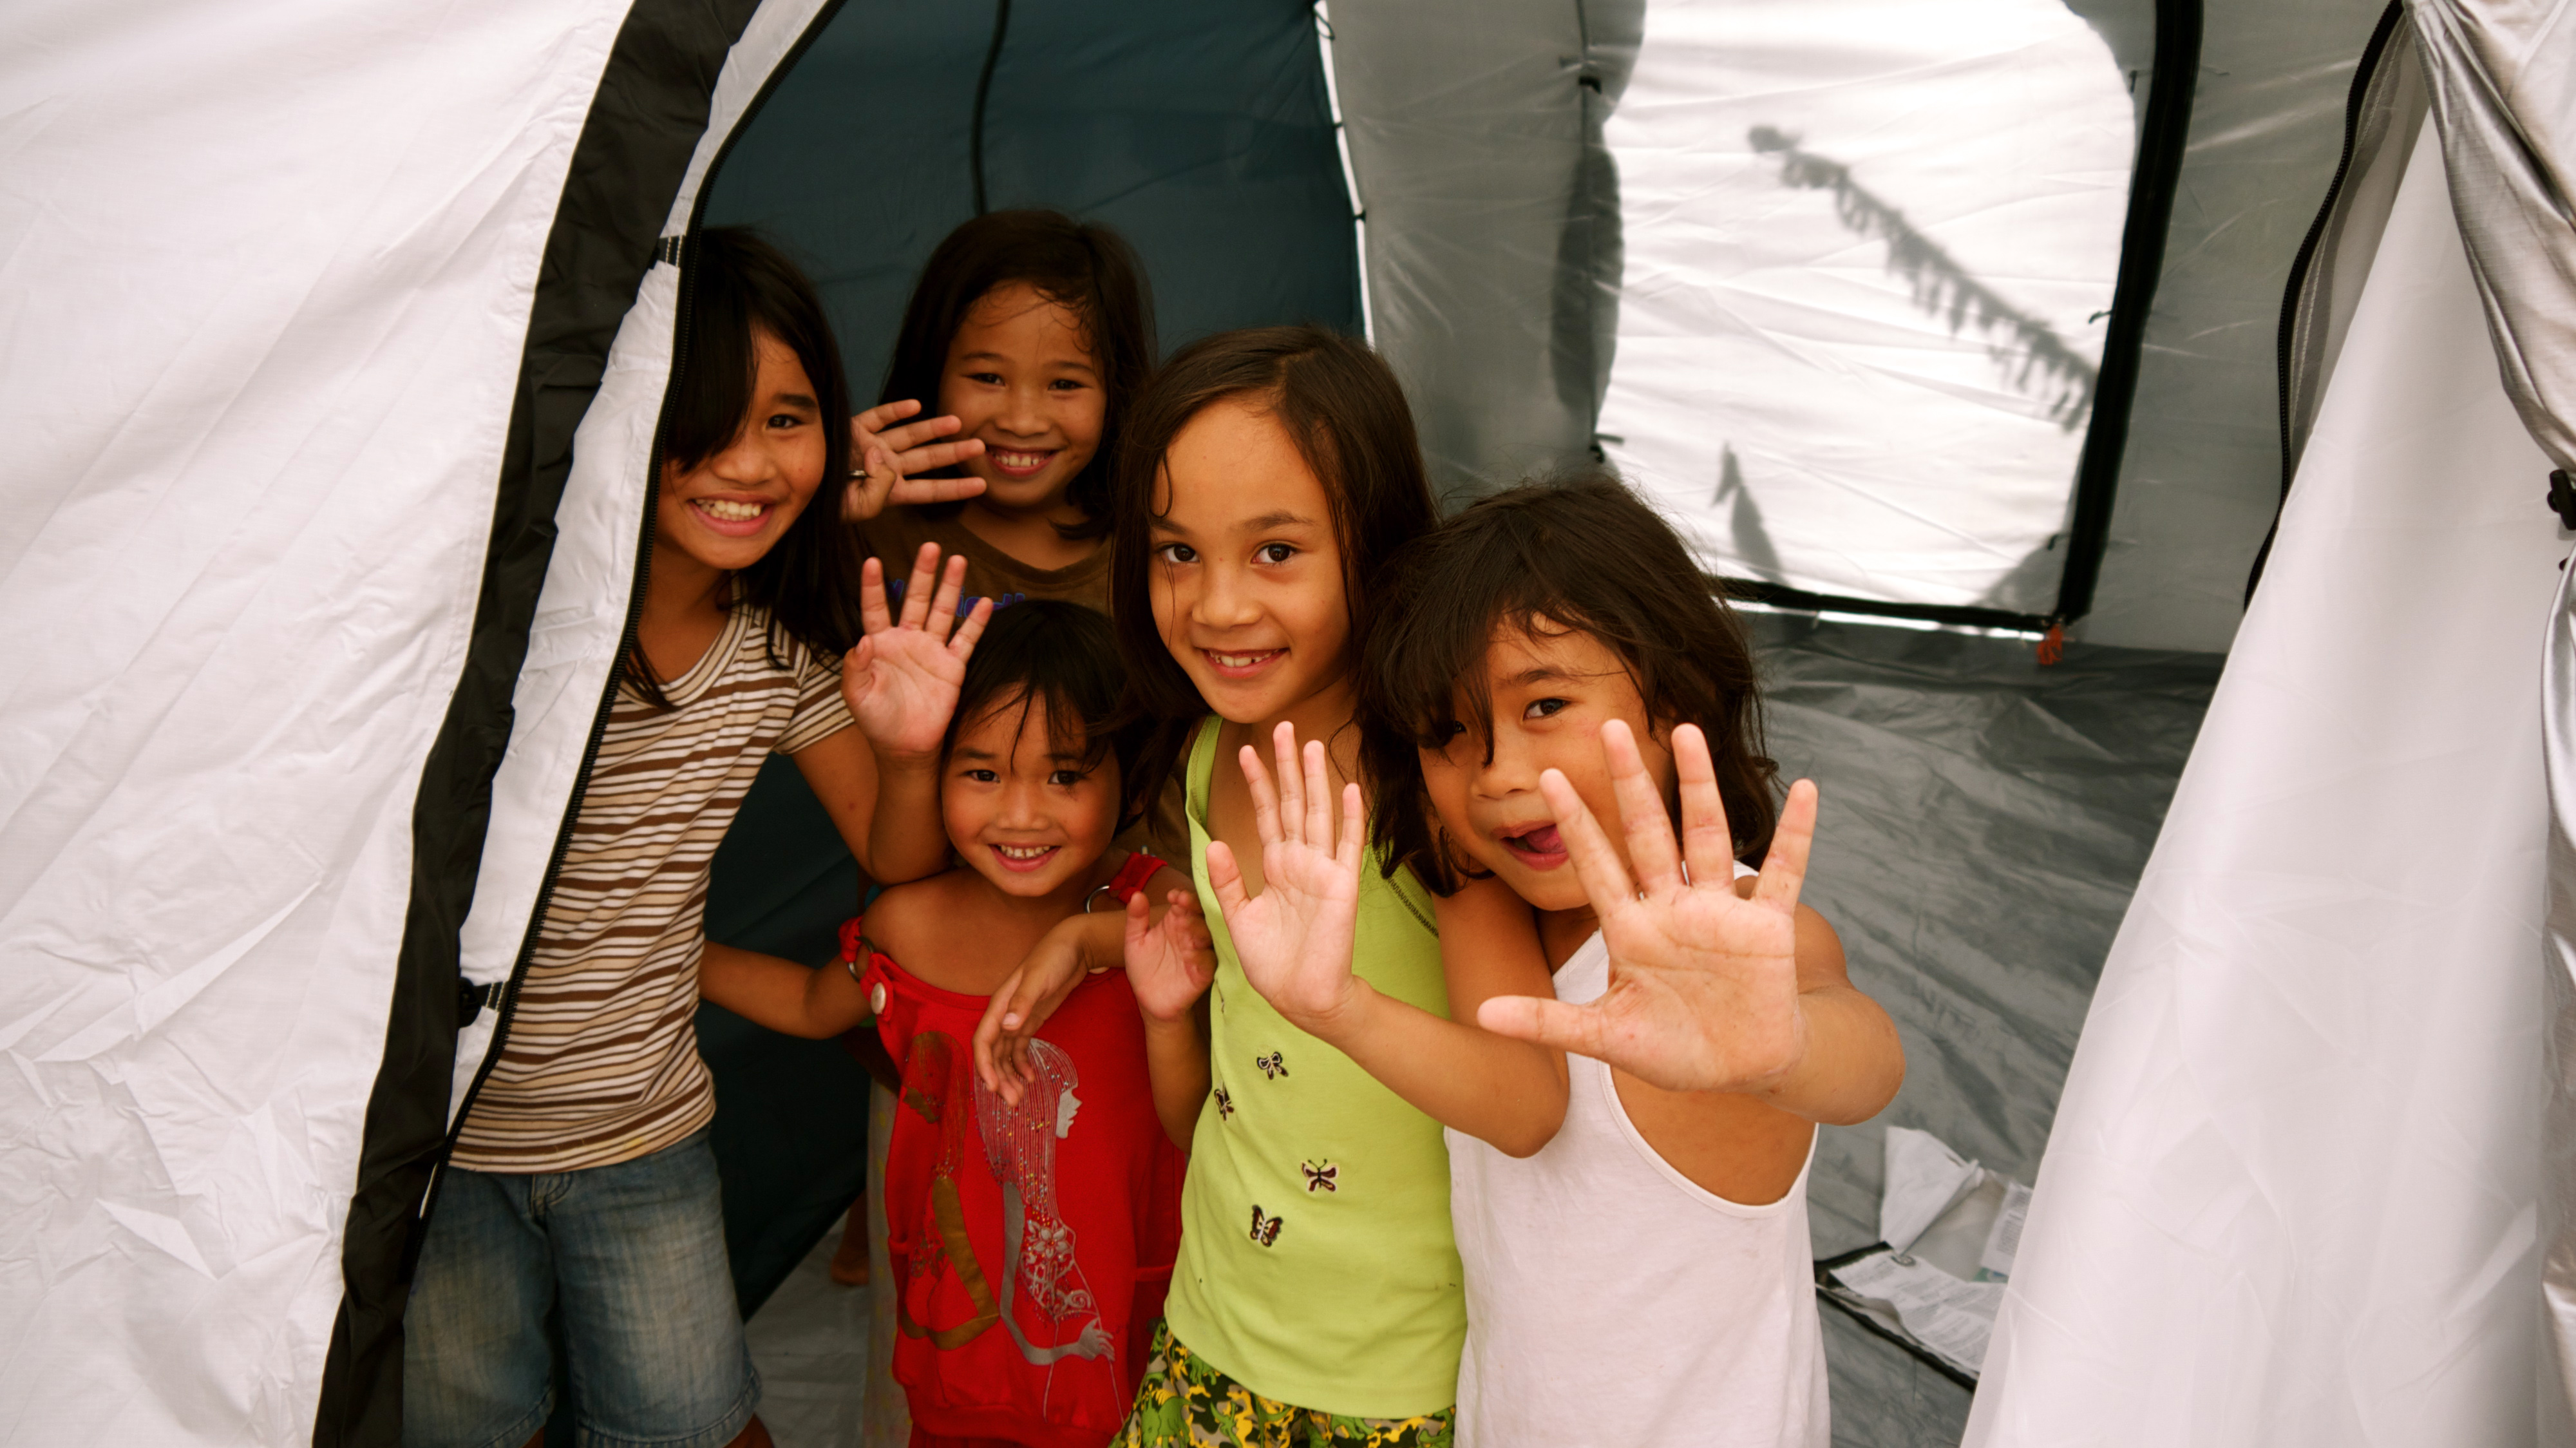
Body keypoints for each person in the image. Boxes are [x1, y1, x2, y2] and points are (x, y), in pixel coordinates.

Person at [402, 227, 989, 1448]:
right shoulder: (511, 633)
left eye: (789, 418)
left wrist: (910, 747)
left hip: (646, 1137)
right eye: (700, 416)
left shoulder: (776, 655)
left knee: (694, 1423)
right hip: (444, 1145)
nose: (746, 460)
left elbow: (891, 856)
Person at [978, 327, 1566, 1447]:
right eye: (1177, 552)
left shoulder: (1428, 788)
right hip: (1209, 1334)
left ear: (1378, 546)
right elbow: (1229, 1098)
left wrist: (1341, 1006)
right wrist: (1096, 948)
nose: (1217, 606)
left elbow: (1528, 1102)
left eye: (1277, 551)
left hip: (1384, 1385)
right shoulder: (1210, 753)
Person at [1354, 474, 1908, 1446]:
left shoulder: (1734, 942)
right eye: (1450, 734)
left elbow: (1862, 1060)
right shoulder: (1506, 928)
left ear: (1675, 699)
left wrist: (1779, 1048)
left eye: (1545, 705)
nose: (1499, 776)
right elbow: (1516, 1098)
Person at [700, 600, 1211, 1448]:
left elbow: (1188, 1100)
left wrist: (1097, 950)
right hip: (967, 1345)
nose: (1020, 815)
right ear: (933, 773)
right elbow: (803, 1003)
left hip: (1127, 1324)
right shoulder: (908, 926)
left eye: (1065, 776)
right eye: (982, 774)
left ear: (1136, 777)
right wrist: (666, 957)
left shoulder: (1155, 909)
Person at [846, 209, 1155, 615]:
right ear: (932, 371)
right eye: (989, 378)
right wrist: (814, 499)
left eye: (1064, 384)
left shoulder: (1151, 556)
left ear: (1116, 394)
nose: (1022, 422)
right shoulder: (863, 524)